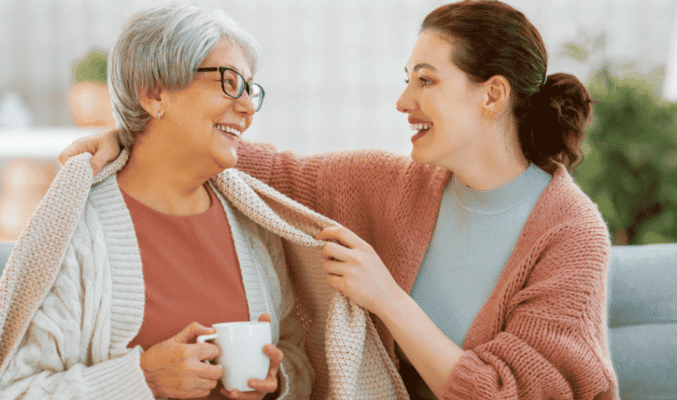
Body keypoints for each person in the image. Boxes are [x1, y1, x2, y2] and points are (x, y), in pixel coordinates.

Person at [60, 1, 619, 399]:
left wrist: (389, 299)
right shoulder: (390, 187)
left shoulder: (571, 234)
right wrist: (130, 135)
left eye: (426, 81)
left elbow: (510, 393)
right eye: (407, 80)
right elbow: (265, 169)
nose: (404, 100)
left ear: (492, 95)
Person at [0, 5, 313, 399]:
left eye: (251, 89)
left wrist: (278, 381)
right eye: (230, 82)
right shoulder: (78, 233)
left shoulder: (254, 225)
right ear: (154, 92)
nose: (248, 107)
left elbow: (297, 359)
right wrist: (142, 379)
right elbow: (15, 390)